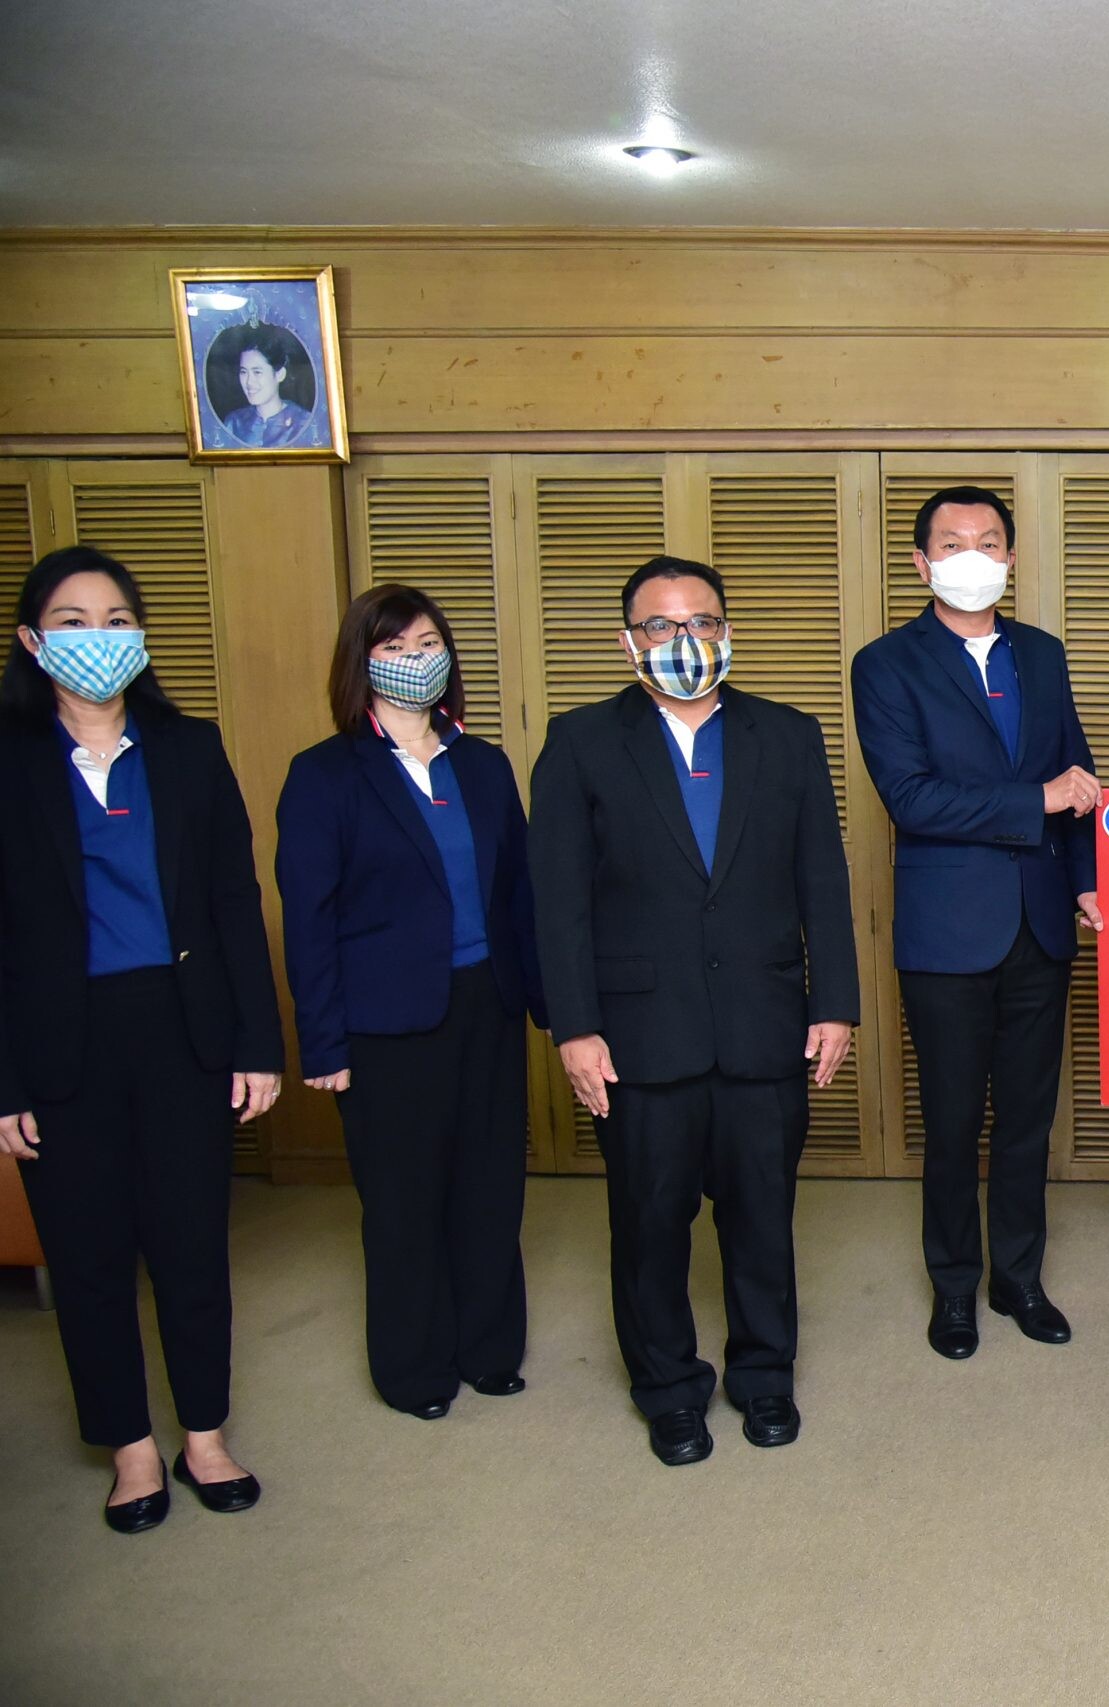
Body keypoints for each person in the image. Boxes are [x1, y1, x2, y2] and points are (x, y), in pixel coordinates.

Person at [529, 555, 857, 1466]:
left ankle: (764, 1376)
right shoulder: (582, 740)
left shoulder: (787, 735)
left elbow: (821, 880)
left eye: (703, 621)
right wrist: (575, 1026)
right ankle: (669, 1388)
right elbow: (556, 901)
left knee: (762, 1218)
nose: (687, 640)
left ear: (727, 628)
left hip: (763, 1022)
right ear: (629, 639)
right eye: (664, 625)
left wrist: (835, 1002)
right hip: (638, 1037)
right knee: (649, 1226)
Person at [0, 545, 283, 1533]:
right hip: (58, 1041)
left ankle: (203, 1434)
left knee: (192, 1244)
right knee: (87, 1256)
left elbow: (235, 905)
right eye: (71, 621)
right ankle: (128, 1449)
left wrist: (257, 1043)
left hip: (181, 1027)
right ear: (34, 641)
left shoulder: (188, 747)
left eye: (116, 618)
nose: (97, 637)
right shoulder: (10, 759)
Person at [275, 585, 547, 1421]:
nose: (413, 658)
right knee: (403, 1199)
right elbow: (308, 918)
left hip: (487, 1004)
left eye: (426, 641)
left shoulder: (483, 762)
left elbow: (520, 894)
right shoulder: (325, 774)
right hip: (385, 1024)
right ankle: (414, 1367)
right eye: (392, 646)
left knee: (490, 1185)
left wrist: (552, 1007)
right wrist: (322, 1045)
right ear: (361, 662)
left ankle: (490, 1348)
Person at [852, 486, 1100, 1361]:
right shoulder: (885, 664)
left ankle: (1020, 1279)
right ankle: (954, 1286)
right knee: (954, 1119)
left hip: (1040, 922)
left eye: (987, 540)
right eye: (951, 542)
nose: (970, 554)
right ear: (921, 562)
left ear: (1011, 557)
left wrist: (1085, 883)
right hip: (947, 932)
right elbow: (912, 798)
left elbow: (1080, 781)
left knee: (1028, 1116)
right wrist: (1036, 798)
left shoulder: (1043, 652)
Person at [217, 324, 316, 449]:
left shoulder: (303, 422)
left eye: (257, 372)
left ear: (280, 374)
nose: (249, 382)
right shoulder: (234, 423)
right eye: (243, 372)